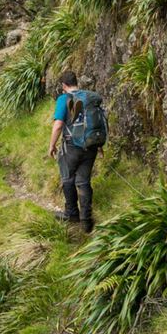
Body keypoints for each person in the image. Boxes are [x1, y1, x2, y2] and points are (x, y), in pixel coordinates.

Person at [48, 71, 99, 233]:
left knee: (68, 179)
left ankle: (72, 213)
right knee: (83, 181)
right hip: (91, 146)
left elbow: (58, 125)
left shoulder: (64, 99)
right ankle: (86, 221)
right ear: (76, 81)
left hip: (71, 147)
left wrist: (52, 145)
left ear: (64, 86)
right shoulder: (90, 97)